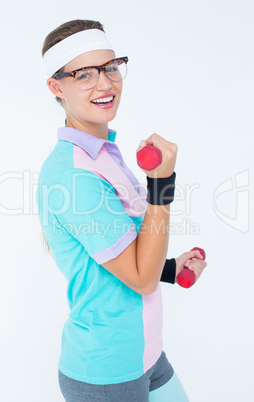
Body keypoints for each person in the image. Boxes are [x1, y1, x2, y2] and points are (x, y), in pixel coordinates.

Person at [36, 19, 207, 402]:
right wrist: (161, 184)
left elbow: (114, 259)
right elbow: (139, 280)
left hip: (146, 355)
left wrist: (167, 267)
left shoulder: (103, 154)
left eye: (111, 67)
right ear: (56, 86)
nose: (105, 83)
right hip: (107, 374)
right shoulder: (73, 175)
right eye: (84, 74)